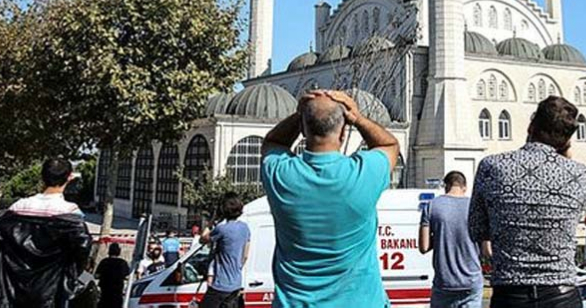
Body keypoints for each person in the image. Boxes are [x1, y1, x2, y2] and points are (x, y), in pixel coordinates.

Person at [261, 89, 399, 308]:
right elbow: (389, 145)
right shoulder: (362, 174)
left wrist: (301, 115)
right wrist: (358, 118)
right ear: (343, 132)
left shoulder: (282, 175)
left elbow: (273, 142)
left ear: (304, 131)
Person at [469, 96, 586, 308]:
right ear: (566, 140)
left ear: (531, 125)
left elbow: (477, 229)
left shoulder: (492, 167)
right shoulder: (578, 173)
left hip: (510, 295)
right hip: (561, 293)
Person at [0, 157, 93, 308]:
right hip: (51, 291)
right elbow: (82, 248)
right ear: (69, 177)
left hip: (13, 288)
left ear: (42, 176)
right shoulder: (70, 212)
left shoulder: (18, 206)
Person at [418, 170, 486, 308]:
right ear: (465, 187)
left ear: (446, 186)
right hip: (471, 280)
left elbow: (423, 247)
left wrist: (441, 236)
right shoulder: (475, 207)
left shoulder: (431, 206)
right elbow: (485, 248)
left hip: (445, 281)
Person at [199, 193, 251, 308]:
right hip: (236, 284)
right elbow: (245, 256)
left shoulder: (222, 229)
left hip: (220, 285)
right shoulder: (245, 228)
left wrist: (211, 221)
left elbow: (202, 239)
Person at [95, 242, 130, 308]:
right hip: (117, 293)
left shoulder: (104, 262)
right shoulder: (122, 263)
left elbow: (97, 275)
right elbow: (127, 276)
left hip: (105, 293)